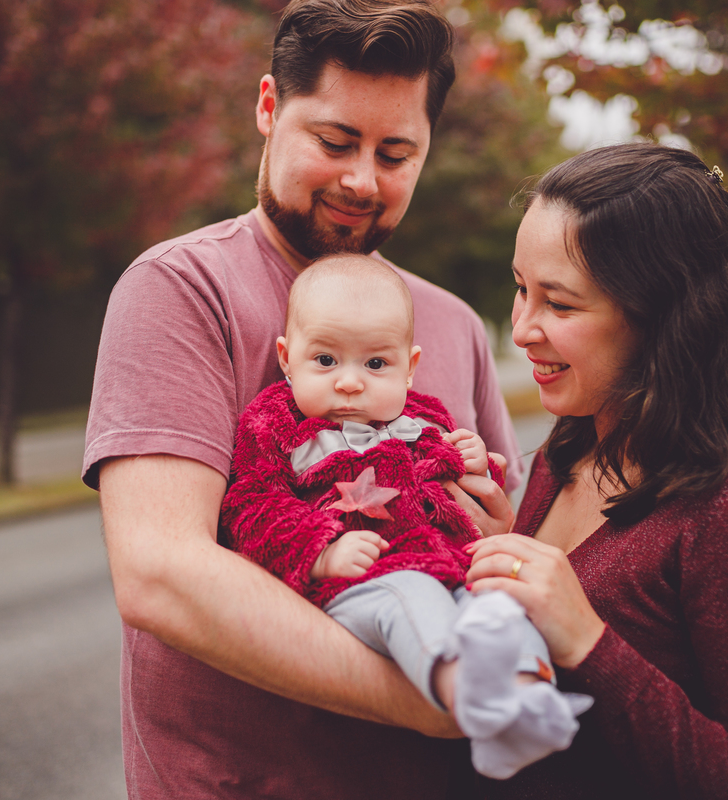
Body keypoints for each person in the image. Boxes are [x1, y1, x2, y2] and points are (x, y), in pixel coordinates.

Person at [82, 1, 520, 797]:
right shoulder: (180, 289)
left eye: (396, 153)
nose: (362, 180)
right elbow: (160, 572)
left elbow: (512, 542)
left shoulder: (453, 325)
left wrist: (495, 535)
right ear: (268, 107)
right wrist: (442, 698)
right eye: (335, 142)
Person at [462, 143, 728, 798]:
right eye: (521, 289)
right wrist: (496, 553)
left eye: (560, 304)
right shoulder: (567, 450)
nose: (521, 329)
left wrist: (590, 646)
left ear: (662, 318)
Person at [221, 255, 591, 780]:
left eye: (376, 364)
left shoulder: (422, 417)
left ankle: (531, 698)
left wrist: (473, 460)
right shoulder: (276, 422)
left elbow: (453, 488)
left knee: (501, 601)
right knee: (411, 600)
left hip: (448, 568)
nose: (350, 383)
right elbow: (251, 504)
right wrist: (321, 550)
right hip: (363, 582)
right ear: (287, 357)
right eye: (325, 360)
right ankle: (474, 705)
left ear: (409, 367)